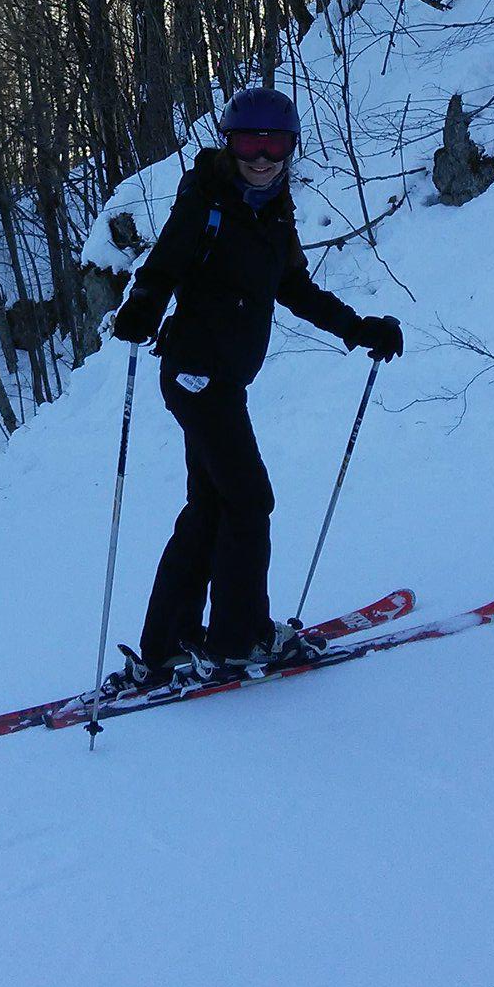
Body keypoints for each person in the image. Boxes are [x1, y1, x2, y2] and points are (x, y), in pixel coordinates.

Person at [108, 86, 403, 693]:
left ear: (290, 148)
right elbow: (163, 265)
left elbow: (294, 287)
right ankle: (238, 639)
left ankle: (167, 647)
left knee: (210, 507)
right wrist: (141, 308)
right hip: (197, 374)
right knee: (249, 501)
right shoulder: (207, 201)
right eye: (250, 141)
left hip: (222, 378)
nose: (262, 156)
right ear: (230, 143)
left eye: (275, 143)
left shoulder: (275, 212)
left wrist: (357, 328)